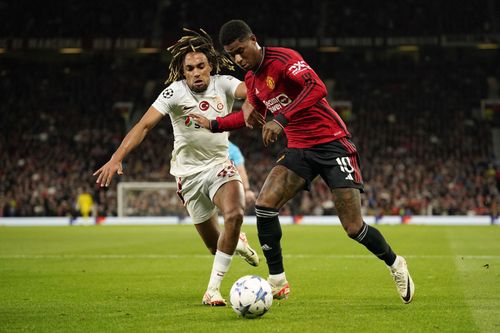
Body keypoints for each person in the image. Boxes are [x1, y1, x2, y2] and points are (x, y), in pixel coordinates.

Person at [208, 19, 415, 303]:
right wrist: (211, 124)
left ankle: (396, 264)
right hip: (300, 150)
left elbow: (316, 88)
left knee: (353, 227)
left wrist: (281, 118)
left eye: (241, 50)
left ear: (253, 39)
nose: (239, 58)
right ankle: (278, 280)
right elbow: (244, 117)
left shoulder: (284, 59)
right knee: (265, 205)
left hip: (333, 145)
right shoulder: (252, 81)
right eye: (232, 55)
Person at [93, 29, 260, 306]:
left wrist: (250, 103)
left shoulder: (225, 83)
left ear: (211, 67)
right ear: (183, 72)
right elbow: (144, 125)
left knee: (235, 213)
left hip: (219, 165)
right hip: (189, 175)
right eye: (190, 69)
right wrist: (116, 157)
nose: (196, 73)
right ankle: (237, 244)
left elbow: (250, 90)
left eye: (201, 67)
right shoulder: (173, 92)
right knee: (213, 245)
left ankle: (213, 291)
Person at [228, 140, 256, 205]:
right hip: (225, 189)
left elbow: (241, 170)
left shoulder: (232, 149)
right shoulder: (232, 149)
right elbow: (240, 170)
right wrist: (247, 190)